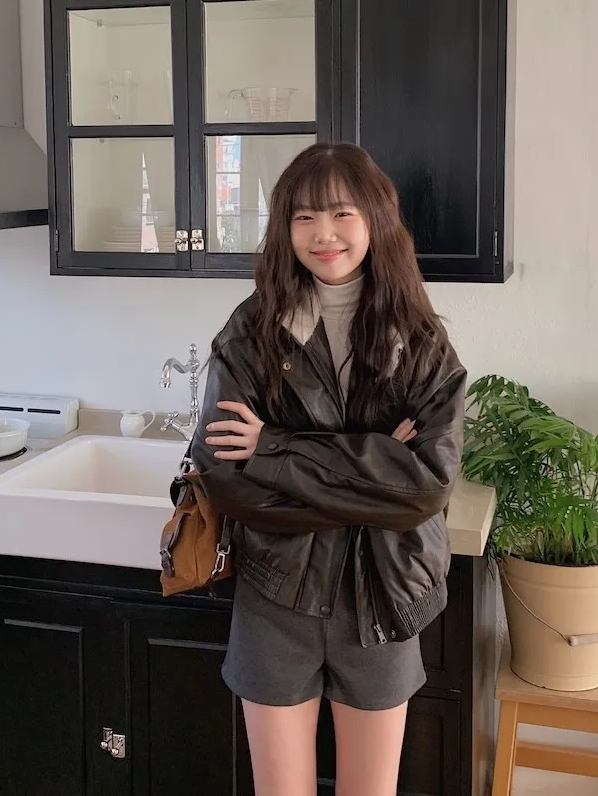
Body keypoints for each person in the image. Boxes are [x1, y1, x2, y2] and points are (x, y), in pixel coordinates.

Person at [190, 142, 466, 796]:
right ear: (285, 227)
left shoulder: (419, 339)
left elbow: (428, 484)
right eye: (305, 216)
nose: (324, 234)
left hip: (385, 595)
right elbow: (224, 478)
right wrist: (378, 466)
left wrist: (274, 449)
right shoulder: (251, 331)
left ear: (374, 219)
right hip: (275, 594)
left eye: (342, 213)